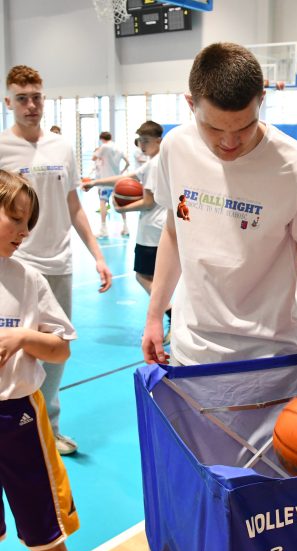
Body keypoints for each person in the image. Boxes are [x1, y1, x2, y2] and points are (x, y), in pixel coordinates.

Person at [142, 42, 297, 429]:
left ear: (262, 99)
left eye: (243, 127)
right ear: (190, 104)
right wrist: (155, 316)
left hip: (270, 358)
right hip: (192, 351)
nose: (229, 143)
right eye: (213, 128)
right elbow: (175, 232)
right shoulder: (175, 147)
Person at [0, 65, 112, 455]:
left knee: (55, 349)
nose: (31, 106)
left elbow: (73, 204)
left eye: (36, 98)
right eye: (22, 99)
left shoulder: (62, 147)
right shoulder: (2, 147)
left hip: (58, 262)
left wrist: (97, 254)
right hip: (16, 261)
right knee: (13, 349)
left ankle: (49, 426)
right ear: (9, 102)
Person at [0, 169, 79, 551]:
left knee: (46, 537)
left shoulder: (28, 280)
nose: (24, 231)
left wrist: (21, 338)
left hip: (20, 421)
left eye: (28, 221)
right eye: (15, 218)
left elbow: (61, 348)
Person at [82, 121, 172, 343]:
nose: (142, 145)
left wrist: (123, 209)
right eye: (140, 141)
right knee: (155, 279)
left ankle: (173, 313)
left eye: (146, 141)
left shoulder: (154, 165)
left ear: (159, 141)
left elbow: (149, 202)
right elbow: (128, 177)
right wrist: (95, 182)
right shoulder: (158, 162)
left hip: (152, 230)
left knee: (143, 277)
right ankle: (167, 318)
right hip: (161, 228)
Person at [91, 131, 130, 238]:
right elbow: (128, 163)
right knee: (121, 203)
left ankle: (104, 229)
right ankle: (126, 227)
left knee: (103, 202)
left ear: (101, 139)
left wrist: (100, 153)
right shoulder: (119, 147)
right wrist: (122, 172)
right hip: (117, 180)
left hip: (106, 181)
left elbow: (93, 158)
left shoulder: (104, 147)